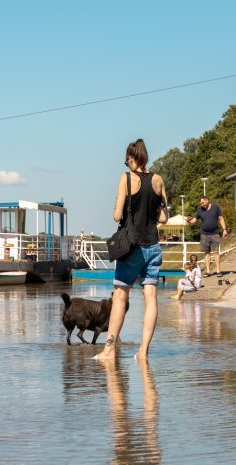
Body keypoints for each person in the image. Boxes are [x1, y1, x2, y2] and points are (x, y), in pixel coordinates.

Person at [95, 139, 168, 361]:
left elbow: (117, 216)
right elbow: (163, 218)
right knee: (151, 296)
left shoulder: (125, 178)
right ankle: (143, 352)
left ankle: (109, 349)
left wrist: (121, 203)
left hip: (132, 247)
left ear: (131, 158)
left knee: (120, 296)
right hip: (153, 246)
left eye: (127, 160)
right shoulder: (158, 180)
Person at [185, 195, 228, 276]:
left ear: (207, 200)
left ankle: (218, 270)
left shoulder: (215, 207)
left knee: (216, 252)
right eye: (201, 203)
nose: (202, 204)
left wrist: (224, 229)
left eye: (203, 202)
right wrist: (189, 221)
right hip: (204, 234)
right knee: (206, 252)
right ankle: (208, 271)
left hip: (215, 233)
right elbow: (194, 221)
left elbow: (221, 218)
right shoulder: (200, 210)